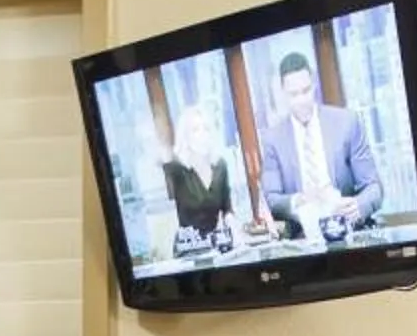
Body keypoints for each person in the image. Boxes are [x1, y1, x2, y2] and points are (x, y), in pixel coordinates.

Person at [256, 50, 381, 238]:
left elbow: (374, 187)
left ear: (314, 84)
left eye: (306, 91)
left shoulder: (347, 122)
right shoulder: (273, 139)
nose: (302, 100)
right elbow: (272, 200)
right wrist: (300, 200)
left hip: (349, 231)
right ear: (283, 93)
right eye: (294, 94)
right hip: (304, 239)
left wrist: (359, 206)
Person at [163, 100, 234, 239]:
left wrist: (232, 225)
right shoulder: (177, 169)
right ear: (186, 136)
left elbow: (227, 208)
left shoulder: (220, 166)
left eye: (206, 129)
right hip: (188, 245)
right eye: (195, 130)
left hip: (216, 242)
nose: (202, 135)